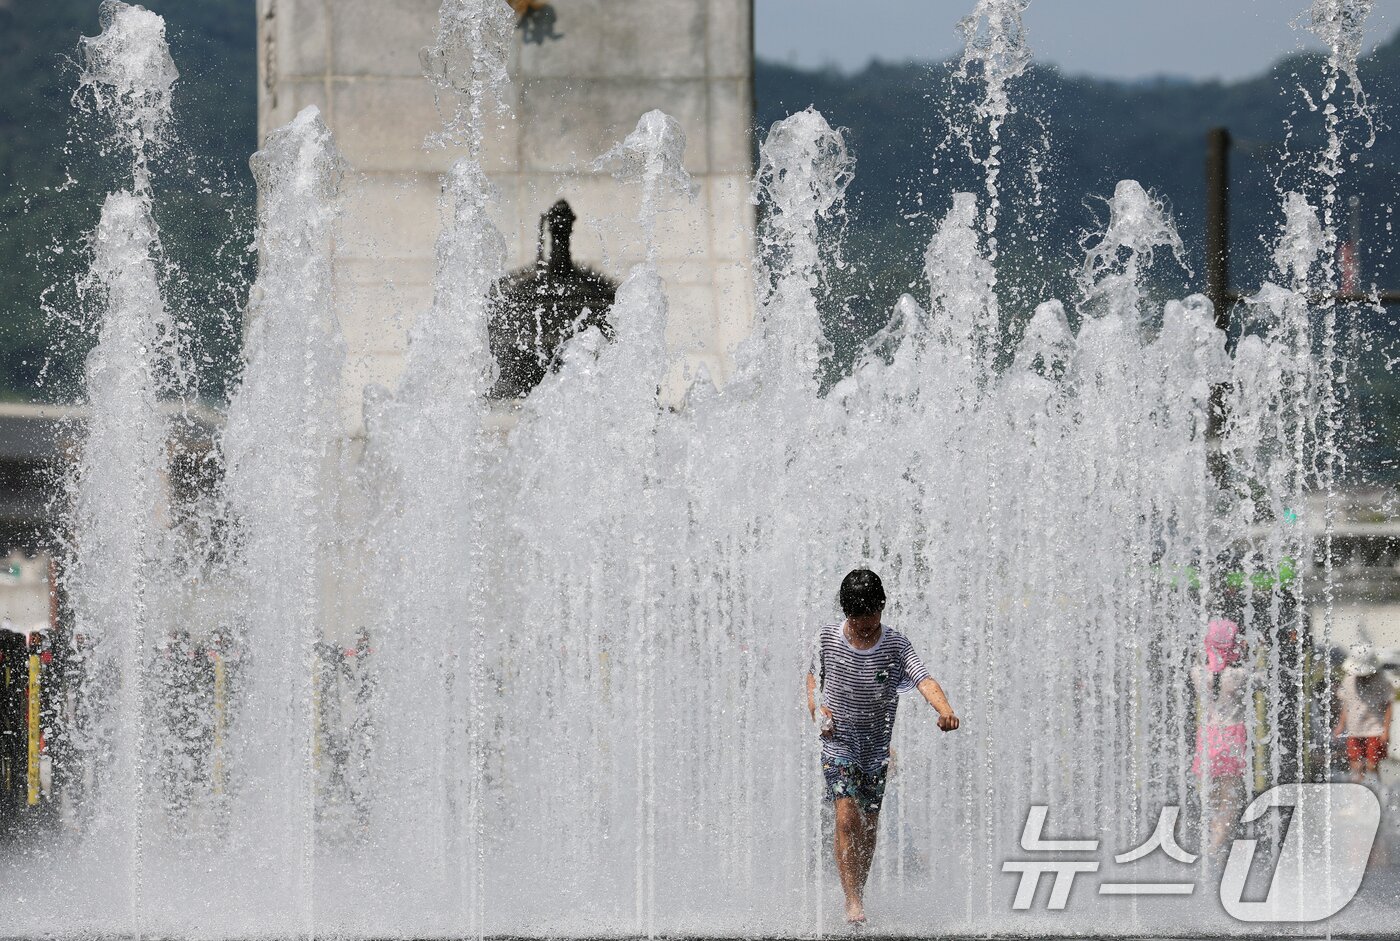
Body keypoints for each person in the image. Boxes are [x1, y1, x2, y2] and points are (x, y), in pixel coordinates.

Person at [805, 568, 959, 925]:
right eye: (857, 619)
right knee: (846, 816)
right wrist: (817, 707)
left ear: (882, 608)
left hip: (876, 753)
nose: (865, 626)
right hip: (838, 745)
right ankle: (852, 901)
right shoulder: (826, 638)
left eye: (871, 617)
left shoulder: (896, 645)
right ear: (847, 613)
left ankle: (858, 888)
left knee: (869, 826)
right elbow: (812, 677)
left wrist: (945, 709)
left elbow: (923, 679)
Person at [1191, 618, 1250, 859]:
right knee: (1231, 798)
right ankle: (1216, 844)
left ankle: (1212, 840)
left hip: (1208, 738)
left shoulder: (1198, 674)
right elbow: (1261, 679)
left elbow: (1200, 662)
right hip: (1232, 737)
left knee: (1212, 795)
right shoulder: (1238, 675)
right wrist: (1247, 654)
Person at [1336, 644, 1395, 784]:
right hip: (1354, 729)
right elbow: (1346, 704)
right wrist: (1341, 724)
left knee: (1372, 765)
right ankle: (1359, 793)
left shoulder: (1381, 680)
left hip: (1375, 729)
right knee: (1356, 766)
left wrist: (1386, 730)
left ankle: (1377, 790)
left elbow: (1388, 705)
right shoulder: (1349, 679)